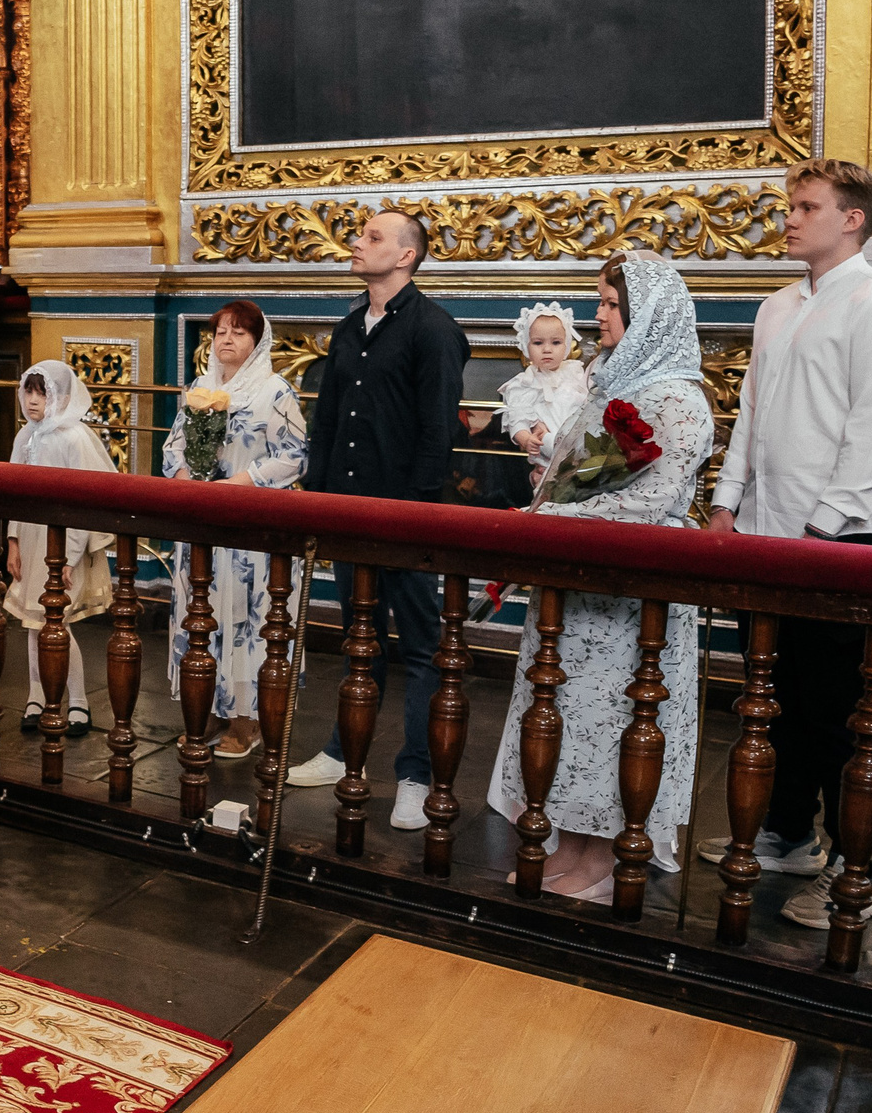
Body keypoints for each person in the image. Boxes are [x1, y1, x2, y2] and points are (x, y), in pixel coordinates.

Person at [699, 159, 872, 929]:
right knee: (779, 699)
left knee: (837, 713)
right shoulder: (777, 306)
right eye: (790, 205)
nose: (789, 218)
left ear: (852, 218)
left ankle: (858, 871)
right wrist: (728, 503)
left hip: (842, 538)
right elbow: (752, 418)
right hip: (767, 533)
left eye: (805, 206)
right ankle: (790, 835)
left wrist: (819, 528)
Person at [485, 253, 711, 901]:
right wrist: (552, 493)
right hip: (580, 586)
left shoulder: (679, 399)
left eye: (611, 305)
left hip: (636, 594)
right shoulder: (609, 384)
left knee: (619, 719)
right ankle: (575, 847)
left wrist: (549, 513)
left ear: (647, 316)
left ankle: (607, 855)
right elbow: (577, 466)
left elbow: (649, 500)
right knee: (573, 718)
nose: (600, 316)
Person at [288, 209, 468, 829]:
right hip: (346, 510)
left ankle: (415, 776)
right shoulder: (346, 329)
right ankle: (344, 753)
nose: (356, 244)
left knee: (421, 647)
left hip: (404, 517)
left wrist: (411, 514)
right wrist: (319, 496)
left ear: (406, 257)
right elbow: (329, 422)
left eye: (372, 237)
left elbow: (437, 431)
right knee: (358, 638)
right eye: (360, 234)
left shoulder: (433, 330)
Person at [163, 302, 309, 759]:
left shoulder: (275, 390)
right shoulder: (199, 387)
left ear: (258, 341)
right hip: (202, 521)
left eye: (239, 333)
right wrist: (185, 475)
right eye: (220, 331)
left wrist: (240, 484)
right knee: (201, 612)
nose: (226, 340)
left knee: (248, 619)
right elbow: (174, 444)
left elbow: (295, 454)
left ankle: (247, 721)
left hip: (252, 527)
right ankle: (206, 704)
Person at [4, 361, 116, 736]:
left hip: (64, 541)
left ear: (62, 398)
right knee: (34, 624)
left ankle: (79, 702)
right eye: (28, 392)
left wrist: (66, 559)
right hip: (33, 539)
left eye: (42, 393)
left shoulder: (74, 438)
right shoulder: (26, 437)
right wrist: (13, 541)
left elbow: (82, 501)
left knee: (57, 624)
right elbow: (14, 494)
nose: (32, 401)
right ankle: (36, 695)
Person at [500, 300, 593, 487]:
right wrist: (526, 439)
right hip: (546, 464)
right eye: (538, 343)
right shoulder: (524, 383)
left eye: (556, 342)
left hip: (580, 456)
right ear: (526, 346)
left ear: (567, 345)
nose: (547, 349)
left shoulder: (577, 375)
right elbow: (516, 418)